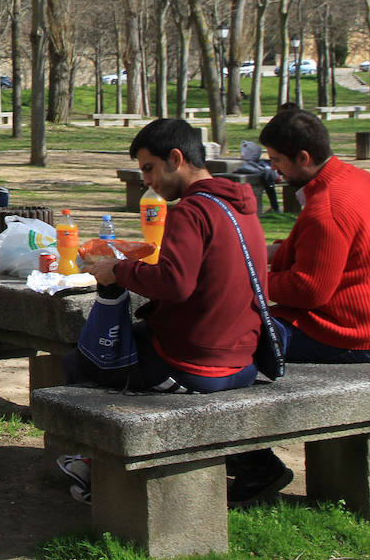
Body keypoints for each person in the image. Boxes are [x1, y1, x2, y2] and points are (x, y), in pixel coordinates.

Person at [57, 119, 267, 505]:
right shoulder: (241, 206)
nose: (147, 180)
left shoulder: (191, 210)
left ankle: (101, 472)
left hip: (194, 362)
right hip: (242, 355)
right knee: (122, 345)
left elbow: (176, 282)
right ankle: (256, 461)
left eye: (149, 168)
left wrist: (116, 270)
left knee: (81, 360)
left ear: (176, 158)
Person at [223, 105, 370, 507]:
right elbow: (307, 254)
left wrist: (244, 280)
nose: (274, 170)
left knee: (221, 343)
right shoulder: (354, 180)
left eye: (277, 161)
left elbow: (310, 289)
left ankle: (257, 467)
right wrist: (253, 254)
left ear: (303, 158)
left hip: (357, 332)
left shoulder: (327, 206)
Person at [233, 139, 281, 212]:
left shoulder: (254, 164)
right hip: (267, 179)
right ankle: (275, 207)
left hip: (268, 180)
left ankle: (275, 207)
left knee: (269, 184)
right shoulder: (251, 164)